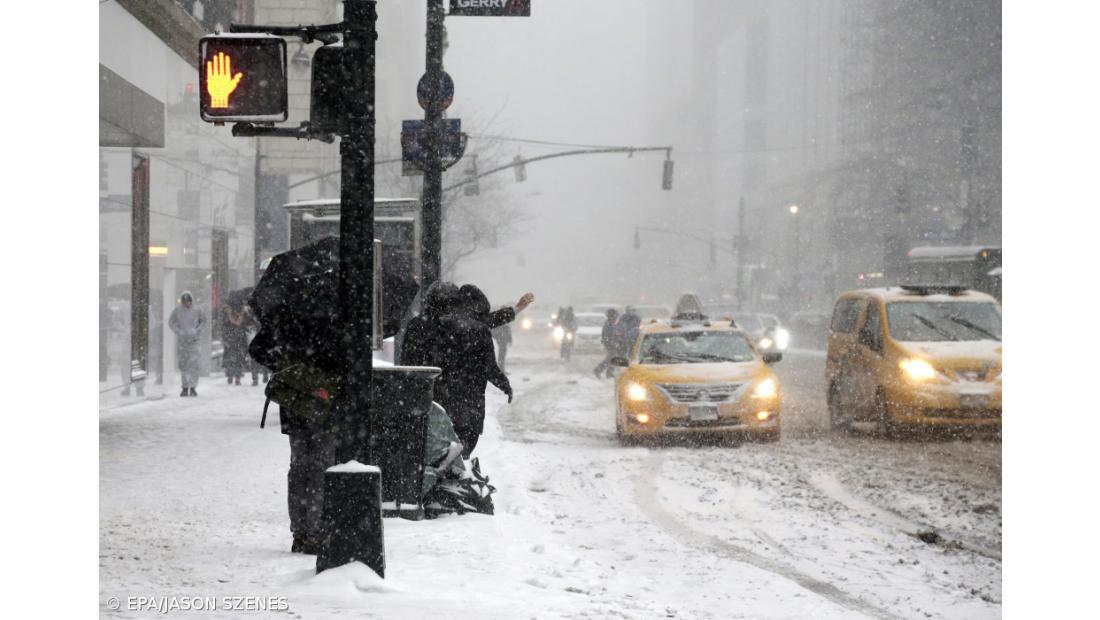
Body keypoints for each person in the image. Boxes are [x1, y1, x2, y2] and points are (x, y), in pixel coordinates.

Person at [427, 284, 513, 457]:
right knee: (462, 450)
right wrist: (504, 385)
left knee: (437, 452)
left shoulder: (425, 327)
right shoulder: (479, 329)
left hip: (437, 402)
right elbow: (489, 366)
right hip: (470, 405)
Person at [168, 291, 206, 397]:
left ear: (191, 301)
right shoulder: (177, 311)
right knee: (183, 365)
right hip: (182, 341)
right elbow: (171, 322)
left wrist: (197, 330)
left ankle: (193, 387)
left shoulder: (198, 310)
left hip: (195, 341)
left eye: (188, 301)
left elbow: (203, 321)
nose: (186, 304)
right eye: (184, 302)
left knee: (193, 365)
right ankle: (185, 387)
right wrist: (178, 331)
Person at [221, 302, 249, 385]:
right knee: (231, 360)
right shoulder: (228, 319)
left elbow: (244, 330)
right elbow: (224, 330)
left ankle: (237, 377)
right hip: (231, 342)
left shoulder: (242, 318)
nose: (237, 313)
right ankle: (231, 376)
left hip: (238, 342)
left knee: (238, 361)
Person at [592, 308, 620, 378]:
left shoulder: (610, 323)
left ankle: (609, 372)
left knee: (612, 358)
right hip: (610, 343)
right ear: (612, 316)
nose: (616, 318)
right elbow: (608, 335)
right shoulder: (609, 324)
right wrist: (613, 340)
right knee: (610, 358)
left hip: (611, 343)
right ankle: (598, 370)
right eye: (615, 316)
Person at [490, 306, 513, 373]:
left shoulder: (504, 320)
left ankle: (501, 370)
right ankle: (501, 370)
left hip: (503, 341)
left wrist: (509, 339)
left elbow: (508, 331)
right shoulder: (499, 320)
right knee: (501, 356)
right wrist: (498, 336)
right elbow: (494, 331)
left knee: (502, 356)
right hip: (501, 341)